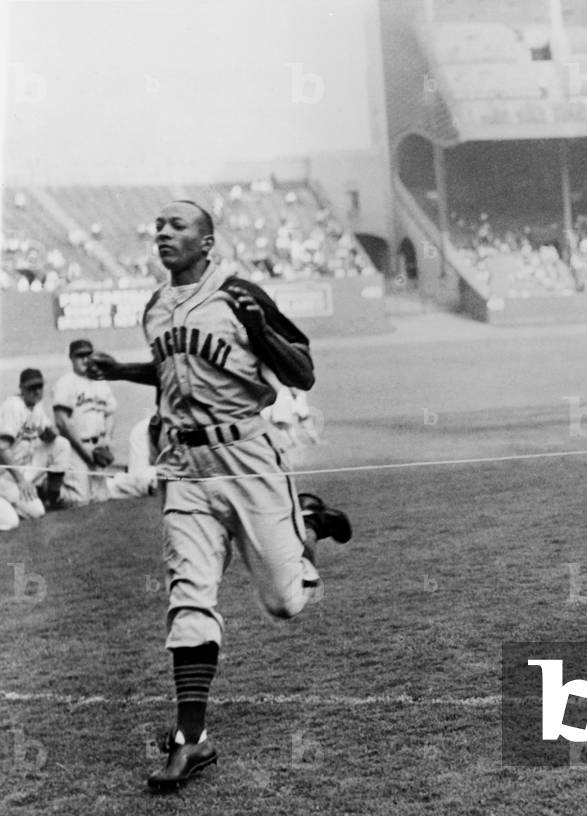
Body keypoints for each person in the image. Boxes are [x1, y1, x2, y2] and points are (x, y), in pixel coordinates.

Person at [86, 200, 352, 792]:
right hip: (184, 466)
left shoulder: (239, 295)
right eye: (157, 224)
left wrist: (259, 330)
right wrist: (121, 371)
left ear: (207, 243)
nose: (162, 232)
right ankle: (192, 740)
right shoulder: (156, 307)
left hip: (249, 459)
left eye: (177, 225)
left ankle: (305, 522)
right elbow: (174, 368)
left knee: (284, 603)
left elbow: (303, 372)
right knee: (188, 599)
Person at [0, 368, 74, 529]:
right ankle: (11, 501)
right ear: (21, 388)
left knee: (61, 444)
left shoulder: (36, 408)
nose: (36, 391)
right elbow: (2, 448)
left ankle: (52, 497)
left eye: (39, 386)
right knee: (35, 512)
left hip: (23, 467)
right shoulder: (13, 406)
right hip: (6, 474)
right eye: (31, 388)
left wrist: (51, 433)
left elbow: (46, 437)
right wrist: (21, 481)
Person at [52, 338, 118, 505]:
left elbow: (110, 412)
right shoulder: (66, 383)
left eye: (88, 355)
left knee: (102, 498)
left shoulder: (100, 381)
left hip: (99, 446)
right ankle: (52, 493)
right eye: (79, 356)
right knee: (80, 499)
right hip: (76, 448)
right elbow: (62, 422)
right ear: (71, 358)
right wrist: (84, 452)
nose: (84, 359)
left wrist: (107, 439)